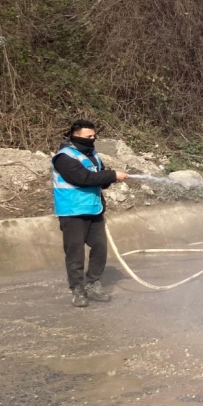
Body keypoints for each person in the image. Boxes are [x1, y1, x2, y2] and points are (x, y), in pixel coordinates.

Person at [52, 120, 129, 307]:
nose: (92, 139)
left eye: (94, 136)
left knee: (100, 248)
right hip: (72, 212)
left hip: (94, 209)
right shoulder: (64, 157)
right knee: (75, 253)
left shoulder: (93, 155)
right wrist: (112, 175)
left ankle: (93, 283)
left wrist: (110, 179)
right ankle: (78, 290)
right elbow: (82, 178)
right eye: (89, 136)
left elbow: (98, 177)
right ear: (75, 136)